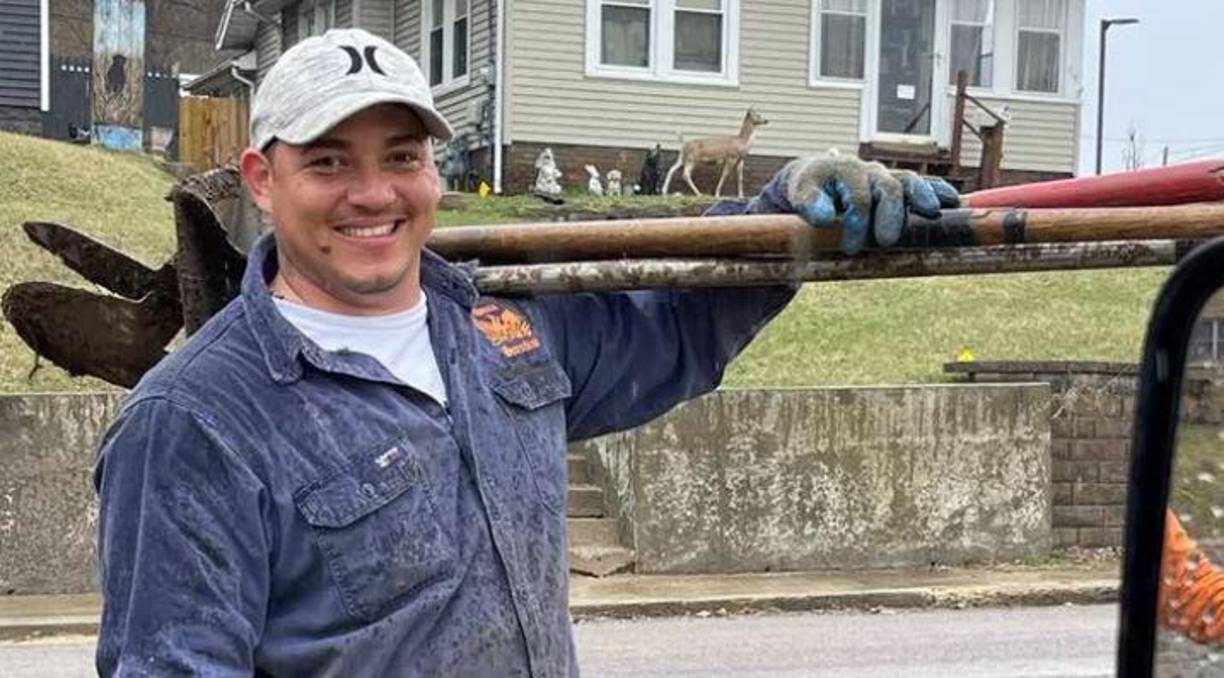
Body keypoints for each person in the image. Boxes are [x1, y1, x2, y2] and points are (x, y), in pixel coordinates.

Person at [92, 28, 957, 676]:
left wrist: (788, 212)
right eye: (328, 162)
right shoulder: (191, 423)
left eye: (402, 156)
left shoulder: (503, 331)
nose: (374, 194)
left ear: (433, 167)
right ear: (259, 178)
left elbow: (675, 328)